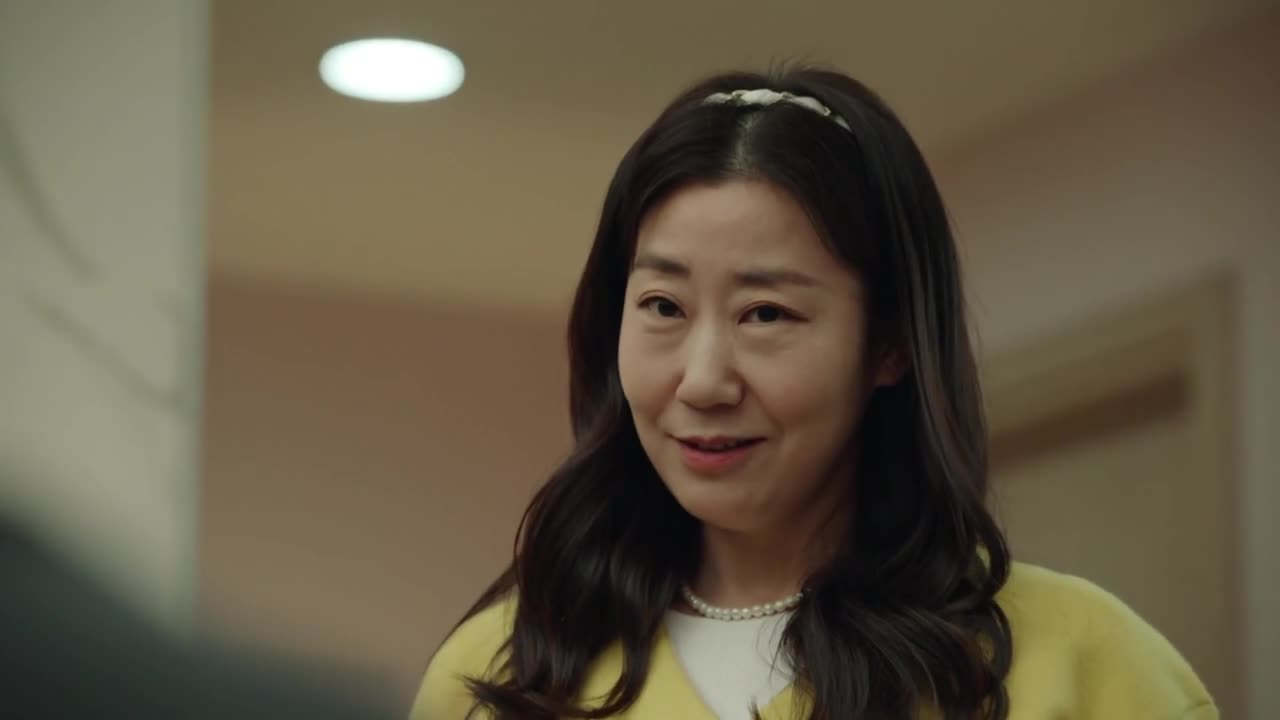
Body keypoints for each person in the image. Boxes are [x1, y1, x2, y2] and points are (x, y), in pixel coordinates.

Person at [410, 68, 1217, 719]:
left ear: (890, 345)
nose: (704, 380)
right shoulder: (499, 676)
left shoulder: (1090, 668)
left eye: (767, 314)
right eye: (662, 306)